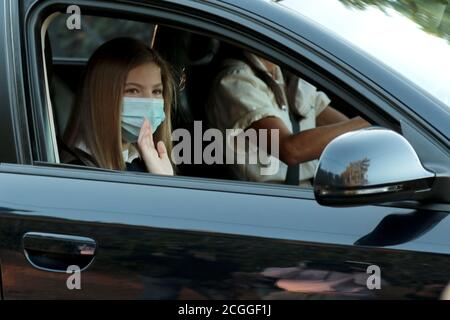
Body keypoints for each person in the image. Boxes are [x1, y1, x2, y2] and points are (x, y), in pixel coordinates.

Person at [206, 50, 371, 186]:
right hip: (270, 203)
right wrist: (369, 120)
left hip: (307, 193)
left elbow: (345, 127)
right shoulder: (236, 81)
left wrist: (376, 129)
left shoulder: (284, 73)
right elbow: (291, 150)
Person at [62, 37, 174, 175]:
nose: (150, 102)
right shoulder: (79, 173)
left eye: (156, 91)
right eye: (133, 90)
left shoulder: (142, 160)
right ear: (102, 98)